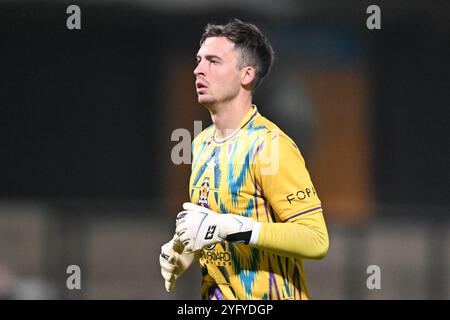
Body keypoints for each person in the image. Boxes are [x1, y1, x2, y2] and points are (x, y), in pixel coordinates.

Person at [160, 19, 329, 300]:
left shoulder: (270, 146)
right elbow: (213, 228)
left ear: (246, 75)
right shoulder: (201, 144)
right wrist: (185, 254)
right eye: (199, 60)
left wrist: (231, 228)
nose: (198, 69)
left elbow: (316, 240)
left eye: (214, 61)